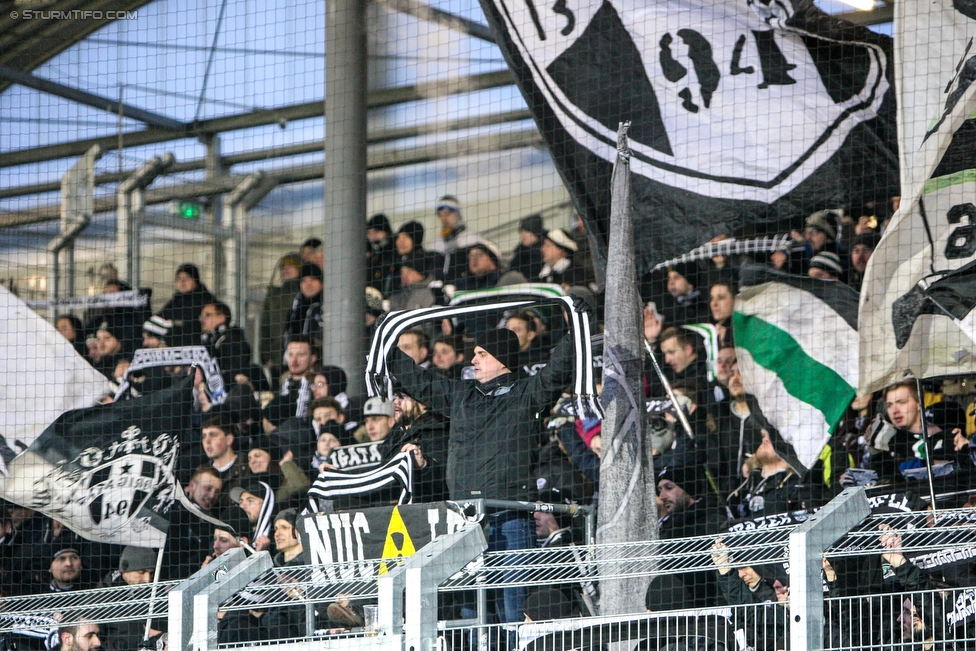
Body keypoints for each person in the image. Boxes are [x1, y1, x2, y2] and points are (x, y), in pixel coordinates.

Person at [387, 325, 580, 624]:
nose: (473, 360)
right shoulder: (460, 395)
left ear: (503, 359)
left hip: (511, 516)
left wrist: (574, 326)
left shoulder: (529, 393)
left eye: (482, 354)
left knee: (513, 608)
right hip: (465, 521)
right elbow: (416, 379)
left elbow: (560, 368)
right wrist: (384, 346)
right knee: (473, 615)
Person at [263, 335, 319, 430]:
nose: (294, 360)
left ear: (312, 358)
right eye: (290, 354)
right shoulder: (281, 383)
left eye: (300, 355)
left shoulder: (318, 384)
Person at [260, 253, 302, 375]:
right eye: (283, 266)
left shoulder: (302, 295)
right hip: (276, 360)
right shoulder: (274, 296)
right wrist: (266, 355)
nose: (286, 269)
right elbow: (265, 327)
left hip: (298, 358)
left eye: (291, 266)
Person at [157, 263, 217, 348]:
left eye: (186, 278)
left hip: (199, 347)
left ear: (195, 280)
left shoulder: (206, 300)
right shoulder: (175, 302)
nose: (182, 282)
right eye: (179, 278)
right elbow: (159, 318)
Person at [428, 194, 483, 284]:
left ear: (457, 214)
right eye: (440, 215)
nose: (444, 218)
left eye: (447, 213)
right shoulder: (435, 244)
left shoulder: (472, 238)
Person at [200, 301, 253, 383]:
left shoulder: (232, 341)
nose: (201, 319)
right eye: (201, 316)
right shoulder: (207, 341)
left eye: (207, 315)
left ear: (221, 317)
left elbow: (235, 372)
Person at [284, 263, 324, 345]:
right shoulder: (294, 308)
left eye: (313, 279)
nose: (308, 284)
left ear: (321, 283)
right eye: (304, 280)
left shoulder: (328, 307)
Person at [366, 213, 398, 294]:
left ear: (386, 232)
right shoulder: (370, 251)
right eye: (369, 233)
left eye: (375, 232)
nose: (371, 237)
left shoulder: (395, 251)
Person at [508, 214, 545, 281]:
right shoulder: (519, 253)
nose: (523, 235)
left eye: (527, 231)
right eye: (521, 231)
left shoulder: (544, 253)